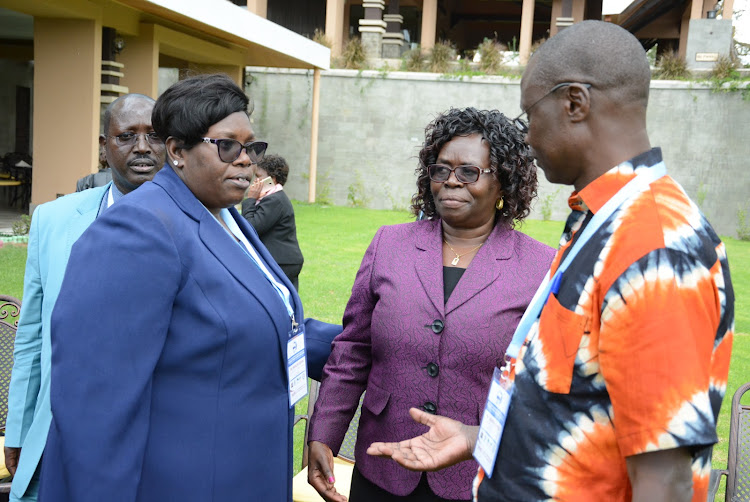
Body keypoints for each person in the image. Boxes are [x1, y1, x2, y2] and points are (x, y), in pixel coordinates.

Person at [367, 21, 735, 502]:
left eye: (528, 116)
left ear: (575, 103)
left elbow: (666, 481)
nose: (527, 137)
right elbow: (581, 406)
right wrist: (477, 438)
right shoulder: (601, 223)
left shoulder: (655, 245)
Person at [37, 74, 340, 502]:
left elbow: (265, 321)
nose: (245, 161)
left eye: (252, 147)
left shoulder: (224, 215)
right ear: (177, 151)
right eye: (227, 146)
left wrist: (364, 346)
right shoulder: (139, 230)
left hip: (247, 475)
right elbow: (95, 409)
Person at [307, 107, 555, 502]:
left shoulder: (541, 266)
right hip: (383, 464)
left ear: (503, 182)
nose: (451, 182)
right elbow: (353, 349)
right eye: (441, 170)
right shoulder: (389, 245)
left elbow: (546, 382)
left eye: (469, 172)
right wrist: (323, 432)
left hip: (476, 476)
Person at [3, 93, 165, 502]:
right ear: (103, 146)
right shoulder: (53, 220)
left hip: (156, 439)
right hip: (61, 430)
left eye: (154, 135)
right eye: (127, 136)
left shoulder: (203, 225)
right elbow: (31, 337)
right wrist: (19, 428)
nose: (142, 147)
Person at [242, 154, 304, 290]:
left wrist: (250, 199)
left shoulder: (275, 200)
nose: (255, 181)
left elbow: (251, 227)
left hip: (282, 261)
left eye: (259, 177)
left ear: (272, 179)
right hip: (281, 260)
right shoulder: (271, 198)